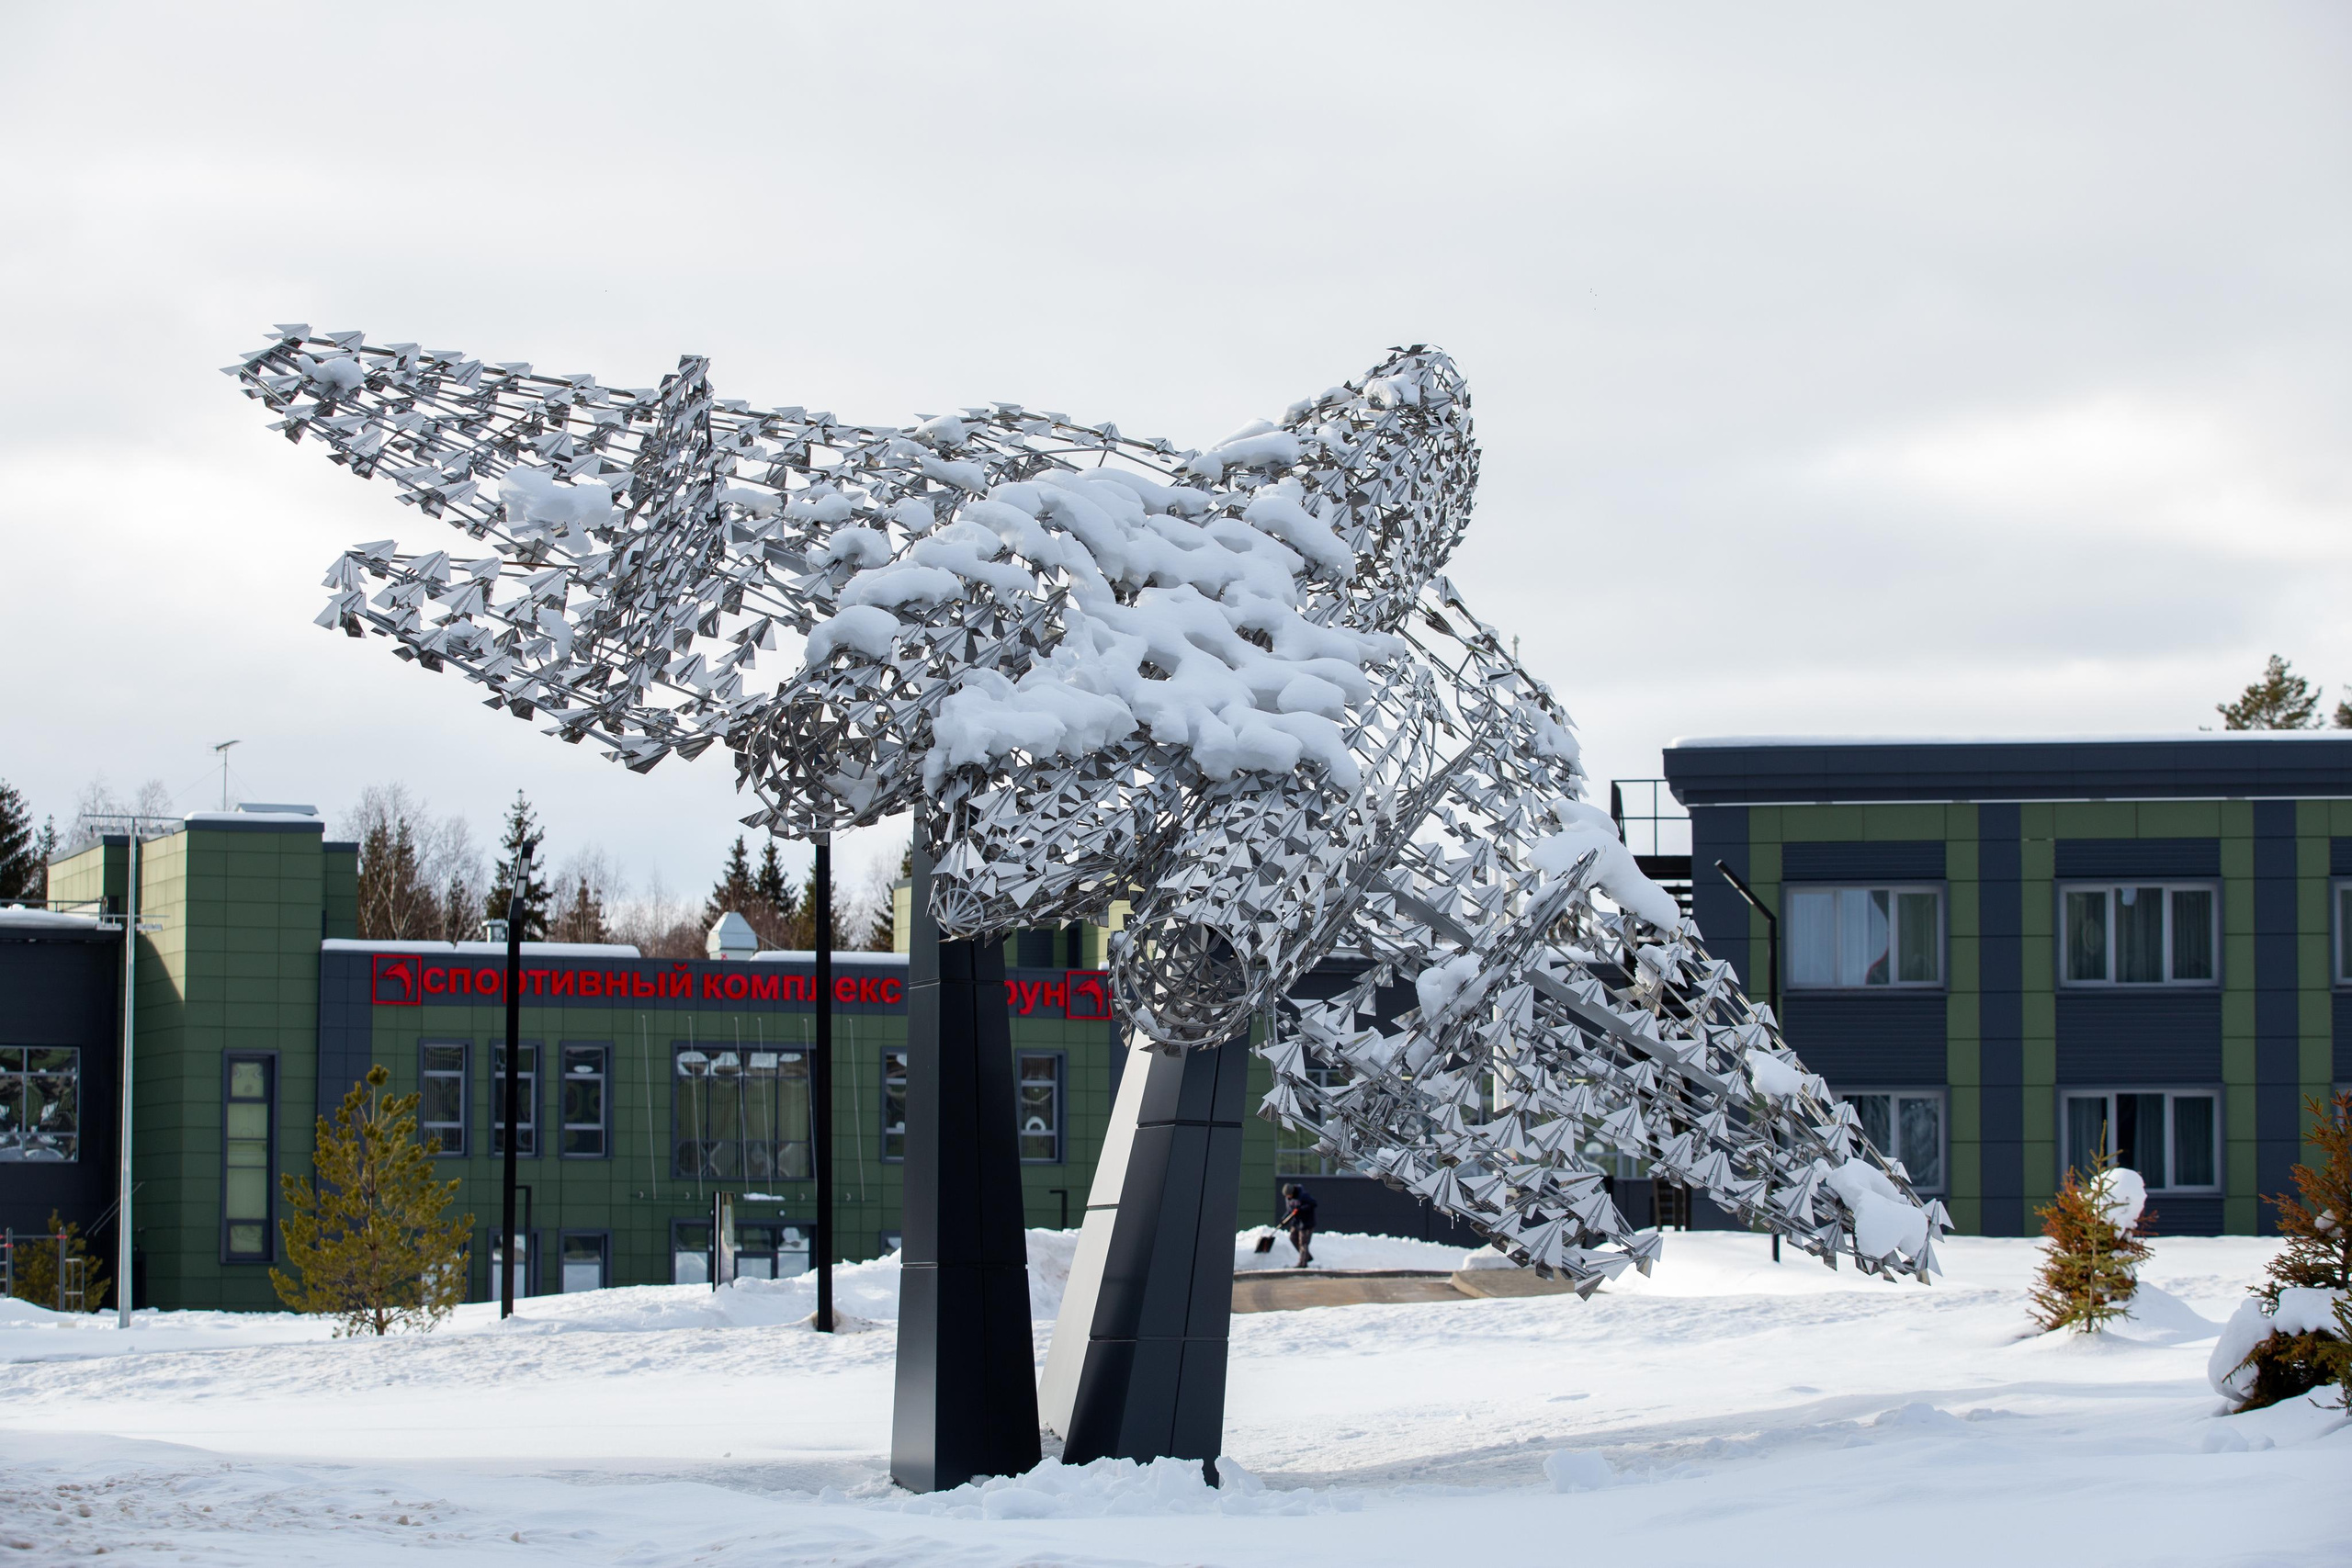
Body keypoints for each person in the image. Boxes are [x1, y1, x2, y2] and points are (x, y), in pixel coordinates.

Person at [1277, 1182, 1317, 1269]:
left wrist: (1300, 1209)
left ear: (1293, 1192)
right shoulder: (1288, 1199)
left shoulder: (1303, 1195)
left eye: (1289, 1195)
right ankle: (1307, 1256)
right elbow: (1289, 1211)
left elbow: (1313, 1204)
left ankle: (1303, 1263)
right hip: (1296, 1223)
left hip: (1306, 1223)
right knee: (1293, 1238)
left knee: (1303, 1242)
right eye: (1287, 1196)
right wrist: (1283, 1220)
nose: (1288, 1197)